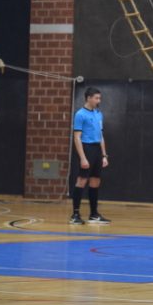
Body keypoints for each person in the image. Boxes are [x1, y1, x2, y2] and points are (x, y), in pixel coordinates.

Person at [70, 87, 110, 225]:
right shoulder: (80, 114)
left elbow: (101, 135)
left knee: (95, 181)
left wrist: (104, 155)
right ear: (89, 98)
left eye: (100, 98)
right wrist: (82, 157)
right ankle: (75, 214)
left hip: (97, 150)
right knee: (82, 180)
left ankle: (93, 214)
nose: (99, 100)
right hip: (86, 149)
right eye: (96, 98)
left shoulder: (99, 114)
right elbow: (77, 137)